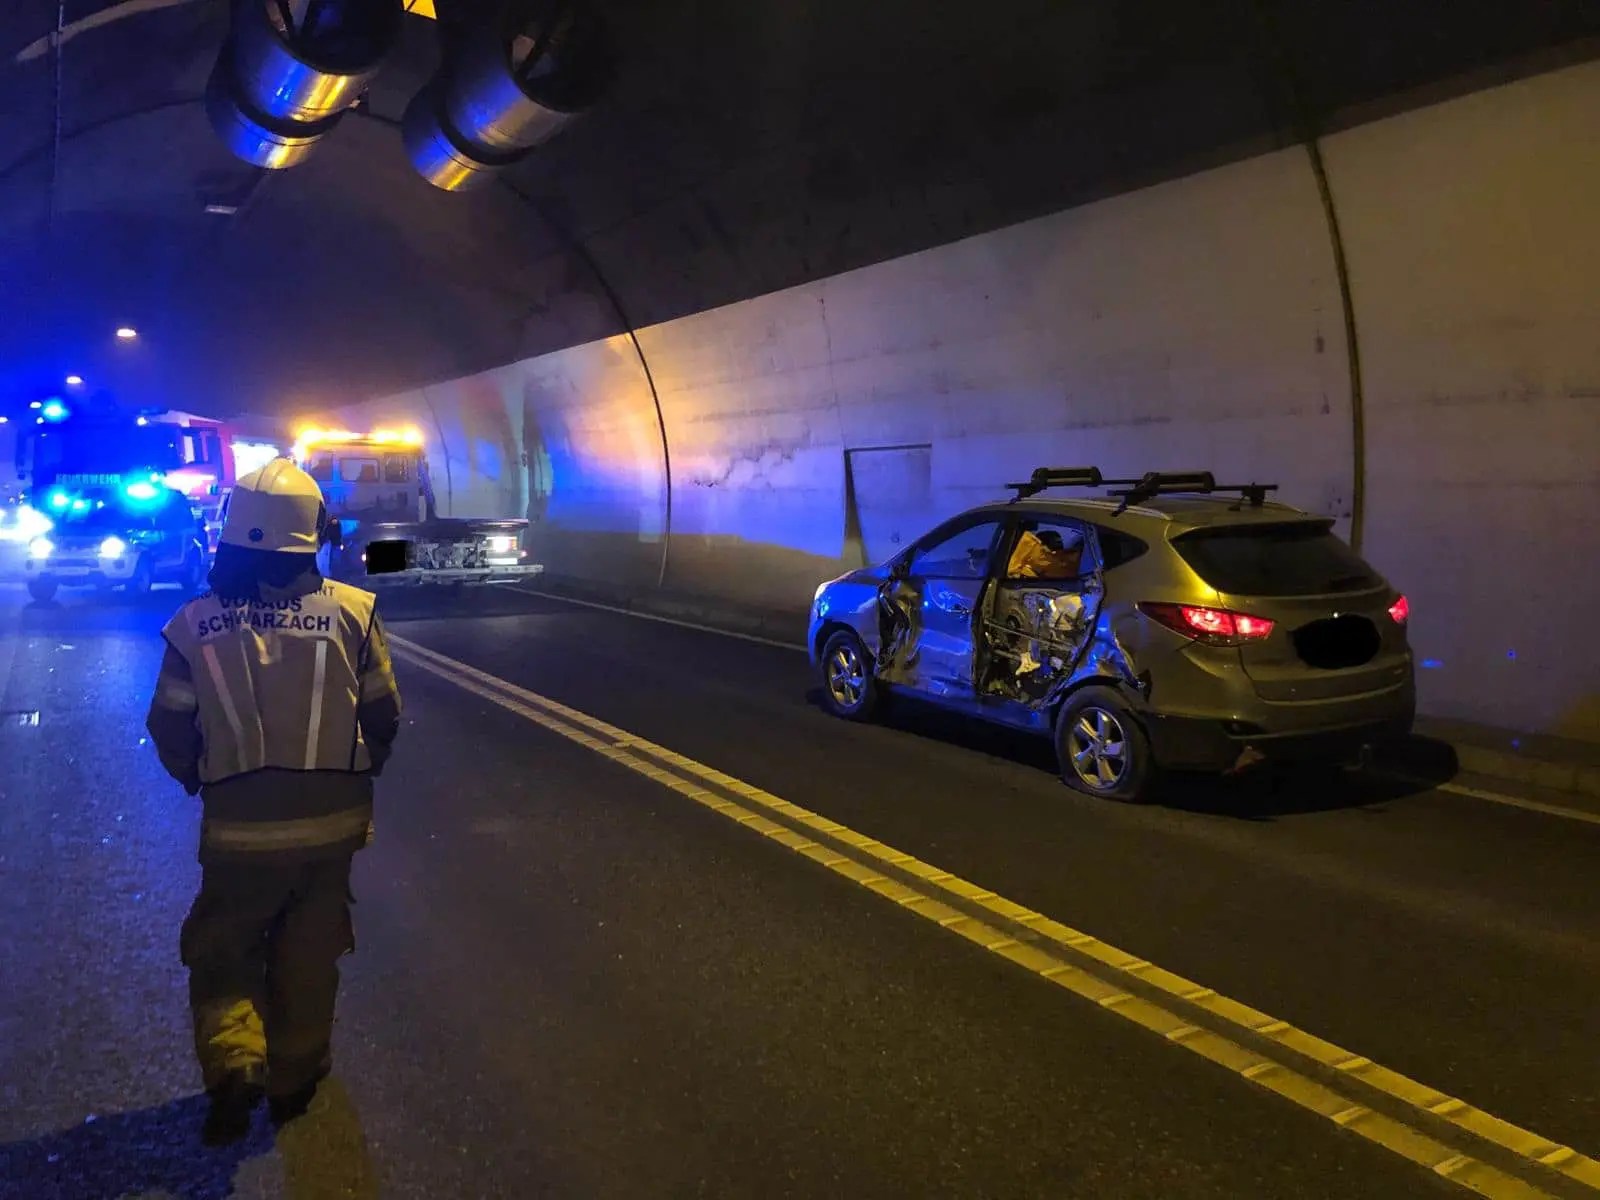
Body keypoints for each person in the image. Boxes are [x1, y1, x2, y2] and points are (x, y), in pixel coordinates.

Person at [145, 458, 402, 1145]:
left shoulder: (194, 623)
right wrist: (359, 769)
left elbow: (169, 721)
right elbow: (383, 715)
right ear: (313, 533)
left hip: (239, 833)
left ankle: (236, 1065)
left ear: (232, 535)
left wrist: (198, 776)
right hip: (334, 829)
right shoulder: (353, 612)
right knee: (310, 951)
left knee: (224, 949)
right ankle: (294, 1081)